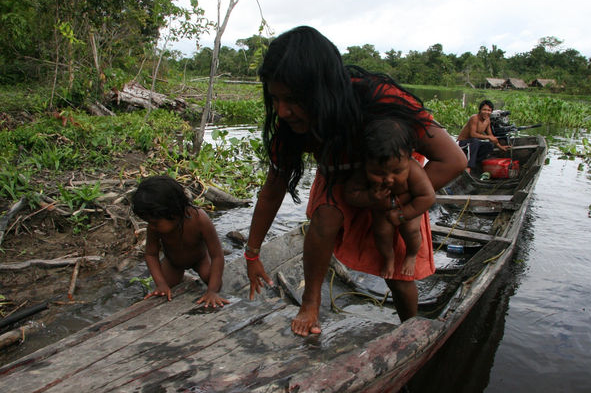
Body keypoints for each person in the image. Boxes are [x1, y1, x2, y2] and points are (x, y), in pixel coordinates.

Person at [244, 26, 466, 336]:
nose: (283, 111)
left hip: (394, 180)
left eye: (293, 99)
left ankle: (411, 329)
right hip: (341, 174)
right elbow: (272, 192)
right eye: (276, 98)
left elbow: (454, 160)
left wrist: (396, 201)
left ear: (322, 90)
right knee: (325, 217)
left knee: (400, 271)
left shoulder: (378, 99)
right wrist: (252, 253)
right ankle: (310, 302)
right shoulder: (288, 127)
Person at [344, 118, 435, 279]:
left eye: (397, 171)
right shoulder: (363, 172)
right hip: (381, 210)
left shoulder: (414, 171)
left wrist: (403, 214)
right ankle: (389, 258)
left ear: (409, 156)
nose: (389, 179)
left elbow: (427, 197)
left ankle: (412, 254)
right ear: (366, 163)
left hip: (410, 207)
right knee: (381, 232)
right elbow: (351, 194)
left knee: (411, 230)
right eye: (378, 173)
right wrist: (370, 197)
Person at [131, 175, 229, 308]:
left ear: (174, 212)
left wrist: (212, 291)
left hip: (200, 259)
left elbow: (217, 255)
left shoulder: (200, 219)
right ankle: (185, 278)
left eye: (154, 222)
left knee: (214, 282)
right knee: (166, 290)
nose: (151, 226)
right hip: (173, 262)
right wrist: (161, 284)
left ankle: (201, 282)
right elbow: (151, 254)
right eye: (149, 222)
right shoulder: (155, 226)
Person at [457, 99, 508, 173]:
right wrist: (488, 137)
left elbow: (491, 136)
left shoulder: (487, 120)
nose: (487, 112)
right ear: (480, 110)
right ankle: (469, 167)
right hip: (463, 144)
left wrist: (500, 146)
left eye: (489, 110)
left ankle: (476, 163)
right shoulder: (474, 118)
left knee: (489, 145)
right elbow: (472, 134)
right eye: (484, 110)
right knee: (475, 141)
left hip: (473, 144)